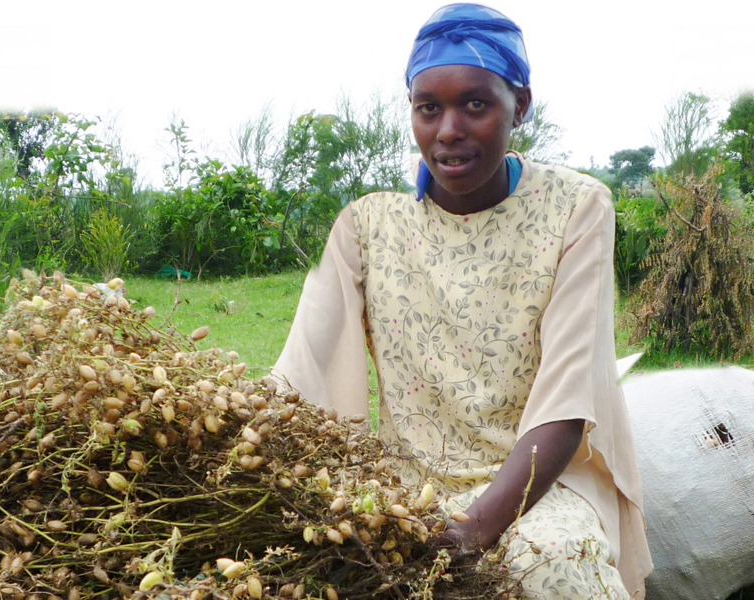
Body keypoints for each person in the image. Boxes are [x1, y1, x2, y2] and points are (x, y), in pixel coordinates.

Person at [274, 4, 653, 598]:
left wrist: (472, 532)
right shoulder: (367, 226)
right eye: (429, 108)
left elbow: (569, 395)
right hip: (408, 487)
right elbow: (301, 371)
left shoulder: (575, 208)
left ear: (519, 105)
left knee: (548, 562)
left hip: (539, 487)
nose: (448, 129)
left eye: (475, 104)